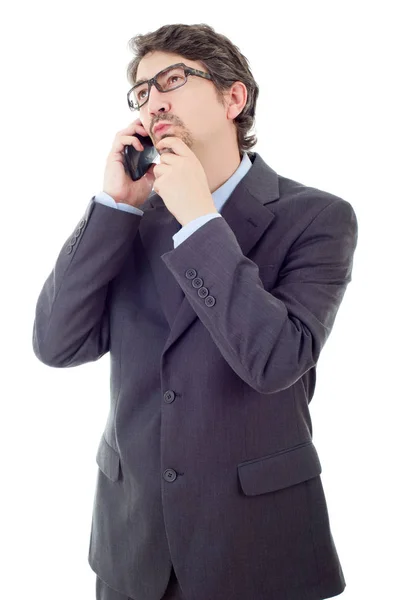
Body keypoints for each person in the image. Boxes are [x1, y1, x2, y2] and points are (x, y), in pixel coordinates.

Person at [32, 23, 358, 600]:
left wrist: (201, 223)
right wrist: (113, 206)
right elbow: (57, 343)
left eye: (173, 80)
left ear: (235, 98)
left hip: (257, 549)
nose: (153, 99)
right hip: (132, 545)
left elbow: (276, 360)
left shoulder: (317, 219)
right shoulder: (133, 221)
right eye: (141, 92)